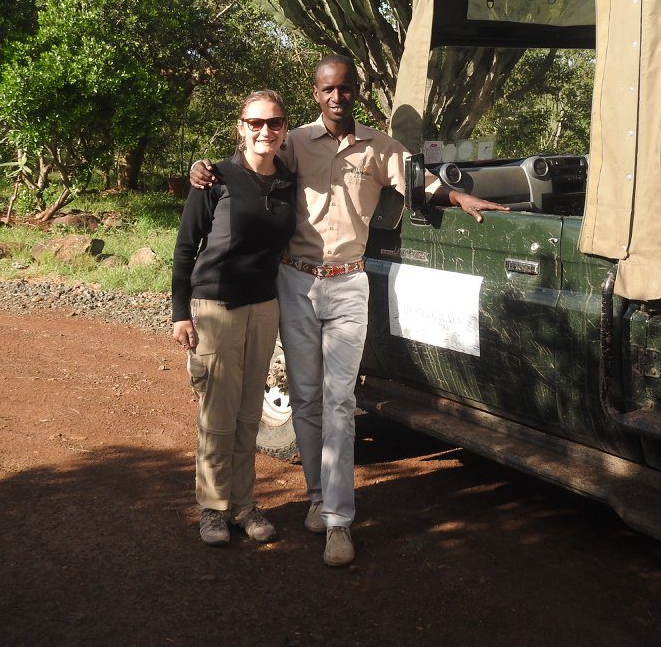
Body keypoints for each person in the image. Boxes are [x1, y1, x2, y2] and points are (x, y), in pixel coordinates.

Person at [191, 55, 507, 567]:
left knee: (340, 403)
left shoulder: (381, 147)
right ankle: (316, 498)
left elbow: (418, 181)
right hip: (293, 281)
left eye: (346, 89)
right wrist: (200, 169)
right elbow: (250, 162)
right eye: (327, 89)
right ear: (316, 94)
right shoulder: (293, 142)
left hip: (347, 284)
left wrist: (458, 196)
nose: (337, 97)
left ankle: (339, 520)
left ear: (357, 92)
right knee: (308, 400)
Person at [172, 90, 296, 547]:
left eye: (275, 123)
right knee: (218, 415)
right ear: (241, 126)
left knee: (248, 415)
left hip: (264, 307)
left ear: (285, 128)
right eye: (256, 122)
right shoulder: (215, 179)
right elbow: (186, 248)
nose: (266, 131)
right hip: (216, 307)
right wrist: (179, 313)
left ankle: (244, 505)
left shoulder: (287, 180)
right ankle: (212, 510)